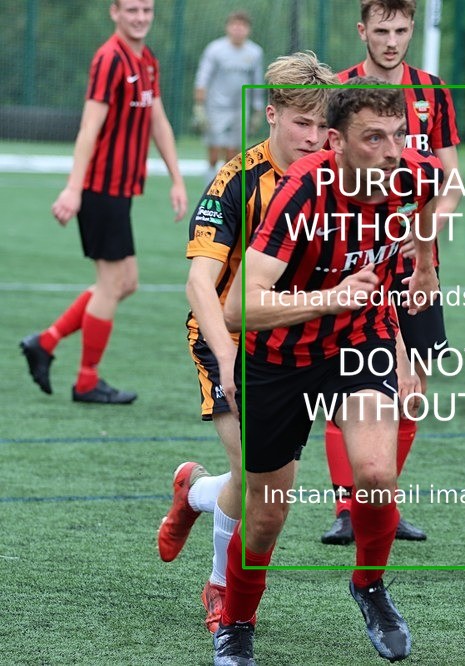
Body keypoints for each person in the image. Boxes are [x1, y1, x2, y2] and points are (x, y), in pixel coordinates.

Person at [212, 79, 443, 665]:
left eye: (398, 136)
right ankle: (236, 622)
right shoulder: (301, 192)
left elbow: (435, 188)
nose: (391, 152)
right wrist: (329, 299)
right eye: (374, 138)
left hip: (359, 340)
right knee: (266, 515)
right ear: (337, 142)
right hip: (279, 357)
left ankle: (369, 585)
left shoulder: (407, 172)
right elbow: (238, 307)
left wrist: (424, 266)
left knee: (376, 474)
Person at [155, 51, 336, 635]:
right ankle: (220, 587)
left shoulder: (334, 177)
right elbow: (199, 284)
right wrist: (227, 353)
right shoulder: (236, 181)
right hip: (226, 336)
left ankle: (193, 493)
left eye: (322, 125)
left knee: (266, 488)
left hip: (293, 342)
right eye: (301, 123)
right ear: (271, 114)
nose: (313, 138)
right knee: (257, 479)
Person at [322, 0, 462, 547]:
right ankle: (346, 508)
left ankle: (380, 503)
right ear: (363, 30)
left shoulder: (433, 92)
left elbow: (450, 181)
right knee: (347, 384)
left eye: (402, 30)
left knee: (412, 387)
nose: (392, 41)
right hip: (351, 264)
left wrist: (424, 232)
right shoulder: (339, 89)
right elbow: (320, 169)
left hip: (416, 266)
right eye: (382, 30)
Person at [20, 0, 186, 404]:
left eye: (146, 10)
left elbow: (158, 121)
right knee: (112, 284)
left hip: (121, 191)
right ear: (114, 12)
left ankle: (45, 342)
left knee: (126, 283)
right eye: (132, 10)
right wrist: (73, 188)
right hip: (100, 190)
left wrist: (177, 179)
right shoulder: (109, 59)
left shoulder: (147, 60)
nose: (140, 17)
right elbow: (88, 129)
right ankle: (86, 381)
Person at [192, 10, 264, 179]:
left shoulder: (255, 52)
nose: (238, 29)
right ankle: (209, 187)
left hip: (240, 109)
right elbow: (203, 77)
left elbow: (257, 83)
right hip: (216, 107)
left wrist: (258, 110)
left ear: (248, 29)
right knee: (214, 150)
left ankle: (225, 188)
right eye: (235, 25)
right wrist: (199, 105)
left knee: (233, 153)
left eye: (242, 25)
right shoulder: (215, 49)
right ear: (228, 27)